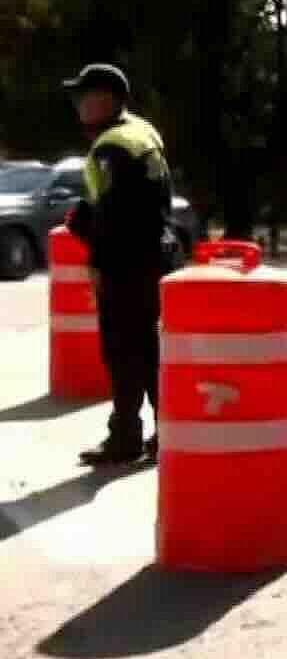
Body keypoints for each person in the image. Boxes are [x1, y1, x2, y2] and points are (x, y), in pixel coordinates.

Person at [63, 64, 173, 467]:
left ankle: (125, 438)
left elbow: (114, 216)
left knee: (125, 353)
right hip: (156, 255)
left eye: (83, 96)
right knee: (153, 351)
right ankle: (169, 434)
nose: (78, 104)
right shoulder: (141, 131)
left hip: (127, 265)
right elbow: (134, 199)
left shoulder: (110, 146)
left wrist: (95, 258)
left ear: (105, 100)